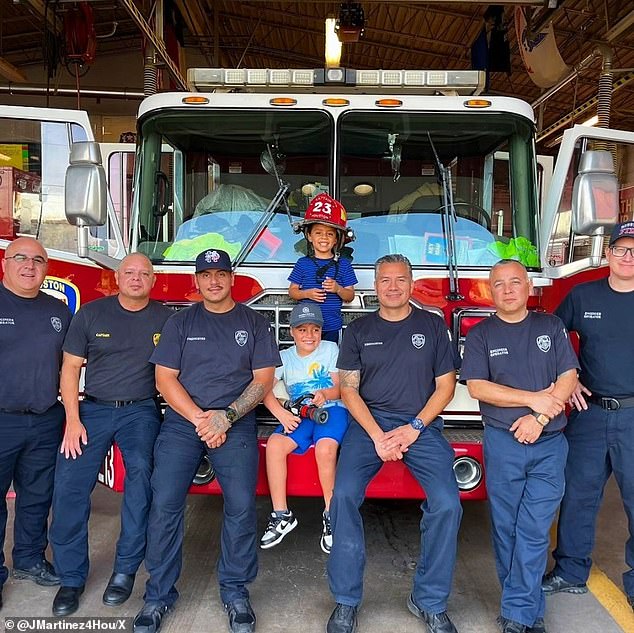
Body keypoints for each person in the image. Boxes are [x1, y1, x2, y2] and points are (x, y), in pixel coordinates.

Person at [133, 248, 280, 633]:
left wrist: (226, 416)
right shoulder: (181, 323)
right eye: (205, 275)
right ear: (197, 281)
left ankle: (235, 591)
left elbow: (263, 379)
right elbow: (164, 378)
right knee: (164, 503)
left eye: (220, 274)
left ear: (232, 278)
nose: (213, 281)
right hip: (186, 422)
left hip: (235, 421)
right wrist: (201, 418)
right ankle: (158, 595)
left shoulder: (255, 322)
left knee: (242, 506)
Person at [326, 253, 462, 633]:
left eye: (400, 279)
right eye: (385, 280)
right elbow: (349, 391)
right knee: (343, 496)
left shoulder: (433, 327)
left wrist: (416, 426)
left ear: (412, 283)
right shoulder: (357, 331)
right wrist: (376, 436)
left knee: (448, 504)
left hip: (421, 426)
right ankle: (346, 600)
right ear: (375, 285)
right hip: (369, 427)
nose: (392, 286)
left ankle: (429, 600)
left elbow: (446, 387)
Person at [49, 253, 171, 617]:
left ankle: (125, 569)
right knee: (69, 488)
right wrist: (73, 419)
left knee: (141, 483)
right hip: (93, 410)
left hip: (142, 411)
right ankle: (71, 578)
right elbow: (70, 368)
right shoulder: (90, 314)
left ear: (153, 280)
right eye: (129, 272)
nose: (136, 278)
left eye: (143, 274)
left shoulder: (167, 318)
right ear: (117, 277)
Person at [460, 259, 578, 633]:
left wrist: (539, 417)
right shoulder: (481, 334)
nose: (508, 289)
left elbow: (567, 377)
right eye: (499, 284)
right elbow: (478, 387)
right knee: (506, 528)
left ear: (529, 288)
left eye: (515, 282)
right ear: (490, 291)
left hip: (549, 443)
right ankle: (529, 611)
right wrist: (534, 399)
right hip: (503, 442)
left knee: (533, 529)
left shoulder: (551, 326)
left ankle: (517, 615)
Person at [543, 221, 634, 611]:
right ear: (608, 254)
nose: (627, 257)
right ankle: (569, 571)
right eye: (621, 249)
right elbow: (550, 334)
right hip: (591, 414)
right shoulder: (583, 296)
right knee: (578, 496)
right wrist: (571, 375)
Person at [0, 237, 71, 610]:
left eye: (38, 260)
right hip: (2, 419)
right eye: (21, 258)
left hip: (45, 419)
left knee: (37, 497)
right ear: (5, 263)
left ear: (46, 268)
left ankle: (28, 559)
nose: (30, 266)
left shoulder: (58, 311)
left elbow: (74, 363)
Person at [260, 303, 348, 554]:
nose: (309, 335)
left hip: (331, 409)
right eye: (302, 329)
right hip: (298, 414)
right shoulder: (284, 357)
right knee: (274, 445)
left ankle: (332, 515)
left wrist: (324, 394)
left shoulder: (331, 349)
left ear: (322, 331)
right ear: (291, 332)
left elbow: (340, 388)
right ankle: (281, 515)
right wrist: (281, 414)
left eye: (315, 329)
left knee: (325, 448)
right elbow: (263, 388)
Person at [289, 193, 357, 343]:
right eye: (318, 233)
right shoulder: (302, 263)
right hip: (307, 329)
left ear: (336, 239)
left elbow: (350, 295)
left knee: (331, 362)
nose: (324, 237)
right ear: (309, 236)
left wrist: (338, 289)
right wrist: (307, 294)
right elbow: (292, 292)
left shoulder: (344, 265)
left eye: (330, 234)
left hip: (332, 327)